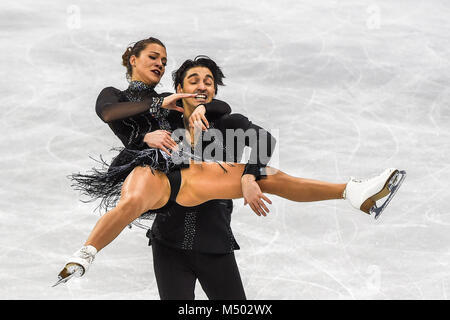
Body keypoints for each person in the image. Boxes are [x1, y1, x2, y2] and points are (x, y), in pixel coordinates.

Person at [55, 39, 406, 294]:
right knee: (133, 201)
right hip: (163, 200)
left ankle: (352, 192)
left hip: (208, 224)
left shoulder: (219, 117)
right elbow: (117, 115)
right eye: (153, 57)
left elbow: (253, 132)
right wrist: (148, 136)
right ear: (133, 58)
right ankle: (86, 253)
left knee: (268, 177)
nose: (160, 63)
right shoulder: (151, 101)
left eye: (207, 82)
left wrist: (248, 175)